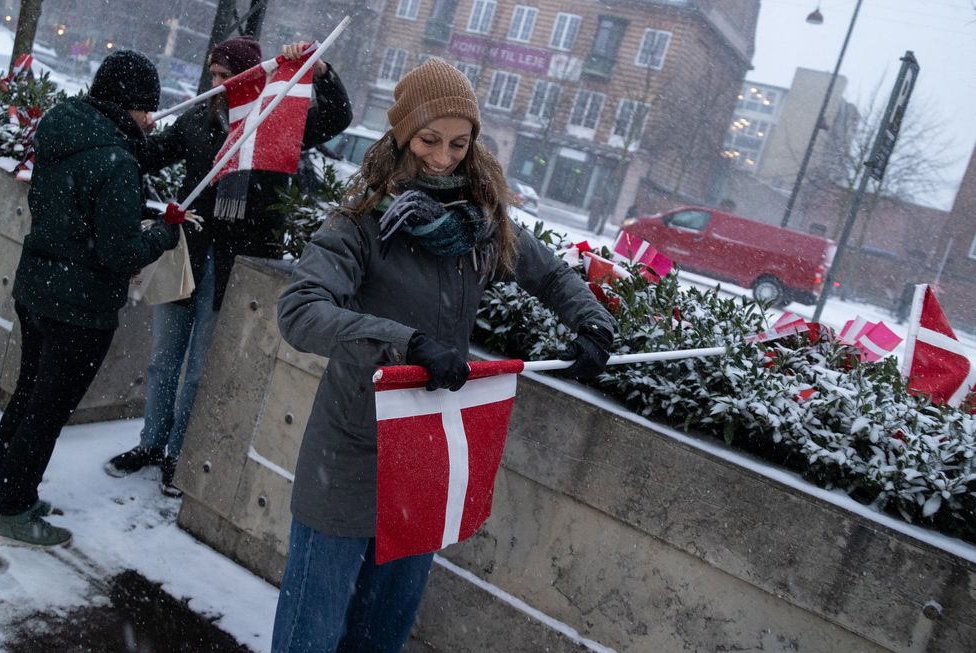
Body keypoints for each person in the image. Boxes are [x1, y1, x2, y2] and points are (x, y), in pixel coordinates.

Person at [271, 58, 616, 653]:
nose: (444, 156)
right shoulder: (360, 224)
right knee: (312, 630)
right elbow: (299, 311)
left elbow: (553, 274)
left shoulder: (483, 229)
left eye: (460, 143)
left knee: (383, 631)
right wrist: (404, 342)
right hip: (353, 446)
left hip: (427, 453)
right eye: (430, 140)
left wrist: (590, 322)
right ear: (403, 136)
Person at [103, 36, 353, 497]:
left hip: (234, 264)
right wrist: (130, 125)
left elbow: (338, 118)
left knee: (199, 368)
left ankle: (178, 451)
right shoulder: (199, 120)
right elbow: (148, 155)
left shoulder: (274, 117)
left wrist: (321, 73)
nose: (217, 83)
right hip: (185, 255)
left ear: (249, 76)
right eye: (213, 75)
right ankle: (150, 444)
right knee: (162, 361)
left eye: (225, 75)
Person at [0, 51, 180, 547]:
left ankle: (3, 487)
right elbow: (120, 252)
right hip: (80, 310)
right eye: (146, 108)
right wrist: (164, 235)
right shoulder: (116, 162)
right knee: (48, 411)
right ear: (125, 104)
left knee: (28, 397)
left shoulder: (68, 133)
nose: (152, 118)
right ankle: (13, 508)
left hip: (37, 291)